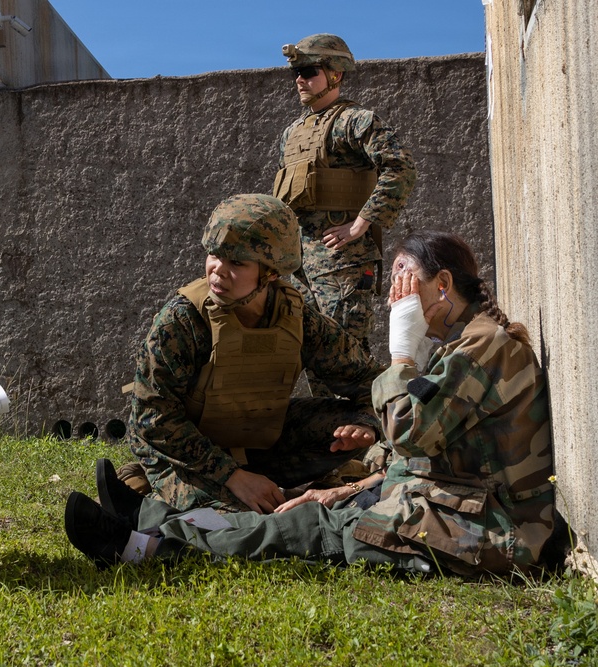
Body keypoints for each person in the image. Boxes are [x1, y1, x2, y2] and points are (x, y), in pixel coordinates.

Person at [68, 231, 556, 577]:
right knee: (317, 506)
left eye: (406, 282)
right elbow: (422, 454)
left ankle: (147, 548)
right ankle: (153, 518)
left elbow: (408, 433)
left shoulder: (483, 346)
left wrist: (403, 355)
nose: (394, 297)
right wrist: (354, 487)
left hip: (490, 533)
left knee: (314, 529)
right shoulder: (464, 344)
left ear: (443, 284)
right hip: (452, 505)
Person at [123, 193, 385, 515]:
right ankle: (150, 482)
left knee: (345, 424)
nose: (217, 270)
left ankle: (257, 485)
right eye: (214, 255)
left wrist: (367, 422)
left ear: (271, 273)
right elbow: (152, 418)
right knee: (236, 520)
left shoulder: (297, 318)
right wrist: (233, 476)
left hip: (259, 440)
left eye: (236, 262)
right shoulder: (182, 320)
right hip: (187, 448)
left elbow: (372, 381)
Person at [272, 34, 416, 365]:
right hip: (301, 267)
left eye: (309, 71)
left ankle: (360, 419)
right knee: (311, 359)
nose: (299, 80)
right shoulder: (292, 133)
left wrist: (361, 224)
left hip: (343, 264)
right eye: (296, 72)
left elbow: (401, 167)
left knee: (346, 358)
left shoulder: (355, 121)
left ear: (336, 74)